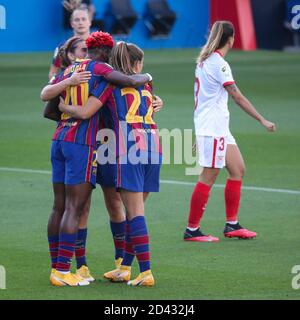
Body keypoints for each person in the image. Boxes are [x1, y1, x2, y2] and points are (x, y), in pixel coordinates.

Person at [41, 31, 152, 286]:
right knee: (75, 208)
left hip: (59, 139)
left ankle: (62, 266)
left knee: (61, 206)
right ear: (105, 52)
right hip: (83, 143)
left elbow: (48, 104)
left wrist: (65, 107)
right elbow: (125, 81)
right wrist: (147, 77)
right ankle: (63, 269)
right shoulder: (100, 71)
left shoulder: (69, 71)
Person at [183, 21, 276, 242]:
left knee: (238, 169)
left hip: (216, 128)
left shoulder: (205, 61)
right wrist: (262, 119)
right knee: (208, 176)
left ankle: (232, 224)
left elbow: (203, 100)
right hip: (214, 129)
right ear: (231, 39)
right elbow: (237, 96)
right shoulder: (219, 64)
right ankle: (192, 229)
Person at [49, 6, 92, 80]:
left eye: (83, 19)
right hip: (70, 89)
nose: (80, 23)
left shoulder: (99, 45)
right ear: (72, 23)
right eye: (77, 20)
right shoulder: (63, 47)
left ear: (90, 22)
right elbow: (52, 73)